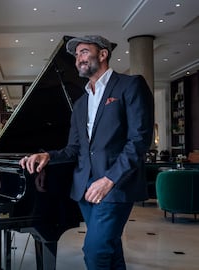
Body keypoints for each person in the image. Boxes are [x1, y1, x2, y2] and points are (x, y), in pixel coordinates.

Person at [20, 35, 154, 269]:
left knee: (95, 252)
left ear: (103, 54)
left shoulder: (130, 85)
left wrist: (109, 180)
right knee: (110, 250)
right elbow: (74, 149)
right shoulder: (81, 103)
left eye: (83, 51)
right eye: (76, 55)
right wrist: (48, 155)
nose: (78, 59)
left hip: (115, 185)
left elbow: (139, 140)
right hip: (84, 188)